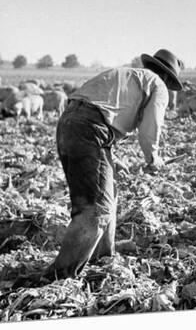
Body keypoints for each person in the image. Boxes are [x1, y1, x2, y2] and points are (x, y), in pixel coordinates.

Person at [45, 48, 183, 280]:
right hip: (90, 131)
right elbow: (151, 129)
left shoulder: (128, 75)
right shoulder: (157, 84)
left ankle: (104, 257)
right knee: (95, 210)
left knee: (110, 192)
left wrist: (112, 159)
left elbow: (96, 112)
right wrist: (153, 158)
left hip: (70, 123)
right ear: (168, 77)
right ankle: (59, 276)